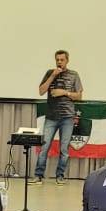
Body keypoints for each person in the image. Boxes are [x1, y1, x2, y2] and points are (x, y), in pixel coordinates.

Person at [32, 49, 84, 185]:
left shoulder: (74, 75)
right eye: (57, 60)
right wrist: (52, 76)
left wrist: (64, 92)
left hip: (67, 117)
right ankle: (38, 175)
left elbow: (79, 96)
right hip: (51, 116)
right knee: (44, 146)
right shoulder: (50, 73)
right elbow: (41, 91)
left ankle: (60, 176)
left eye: (62, 60)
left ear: (67, 60)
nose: (59, 62)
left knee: (64, 149)